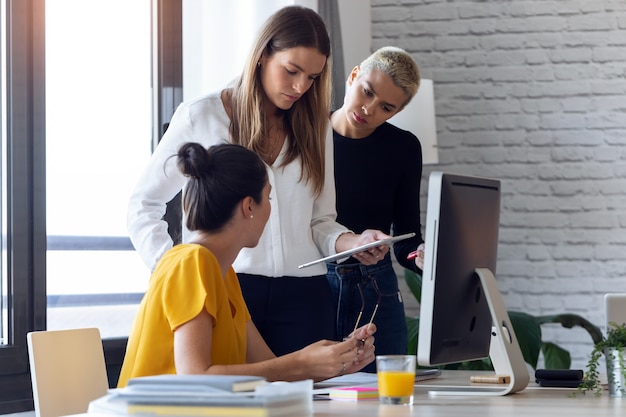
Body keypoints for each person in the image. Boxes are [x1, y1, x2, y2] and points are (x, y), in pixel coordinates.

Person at [126, 6, 390, 358]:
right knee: (227, 406)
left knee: (307, 407)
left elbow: (320, 221)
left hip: (304, 296)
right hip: (229, 288)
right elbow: (143, 206)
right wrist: (178, 273)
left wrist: (354, 242)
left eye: (312, 77)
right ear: (263, 55)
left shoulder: (316, 127)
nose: (300, 87)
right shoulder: (201, 116)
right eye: (292, 71)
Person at [118, 143, 376, 387]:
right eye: (269, 199)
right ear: (249, 206)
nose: (269, 211)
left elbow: (269, 367)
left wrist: (336, 362)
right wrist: (302, 362)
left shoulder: (224, 273)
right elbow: (195, 375)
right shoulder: (191, 262)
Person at [327, 46, 425, 372]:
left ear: (395, 113)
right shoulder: (307, 134)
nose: (368, 109)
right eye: (366, 92)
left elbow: (407, 243)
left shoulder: (404, 148)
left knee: (388, 397)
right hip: (313, 284)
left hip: (377, 290)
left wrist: (421, 256)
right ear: (353, 76)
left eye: (385, 107)